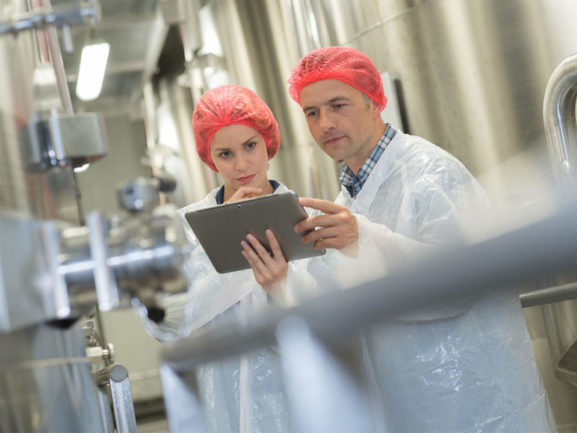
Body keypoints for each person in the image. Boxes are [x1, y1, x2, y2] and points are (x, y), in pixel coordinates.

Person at [286, 46, 555, 432]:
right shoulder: (347, 201)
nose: (325, 122)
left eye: (338, 105)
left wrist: (365, 239)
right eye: (312, 112)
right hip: (408, 404)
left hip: (476, 400)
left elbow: (459, 283)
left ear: (373, 103)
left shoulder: (430, 174)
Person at [140, 84, 300, 433]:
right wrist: (224, 241)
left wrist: (281, 289)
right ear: (209, 157)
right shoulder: (183, 230)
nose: (242, 164)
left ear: (268, 143)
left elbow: (331, 320)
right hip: (220, 413)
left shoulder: (303, 220)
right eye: (225, 154)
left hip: (299, 408)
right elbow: (162, 323)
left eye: (250, 146)